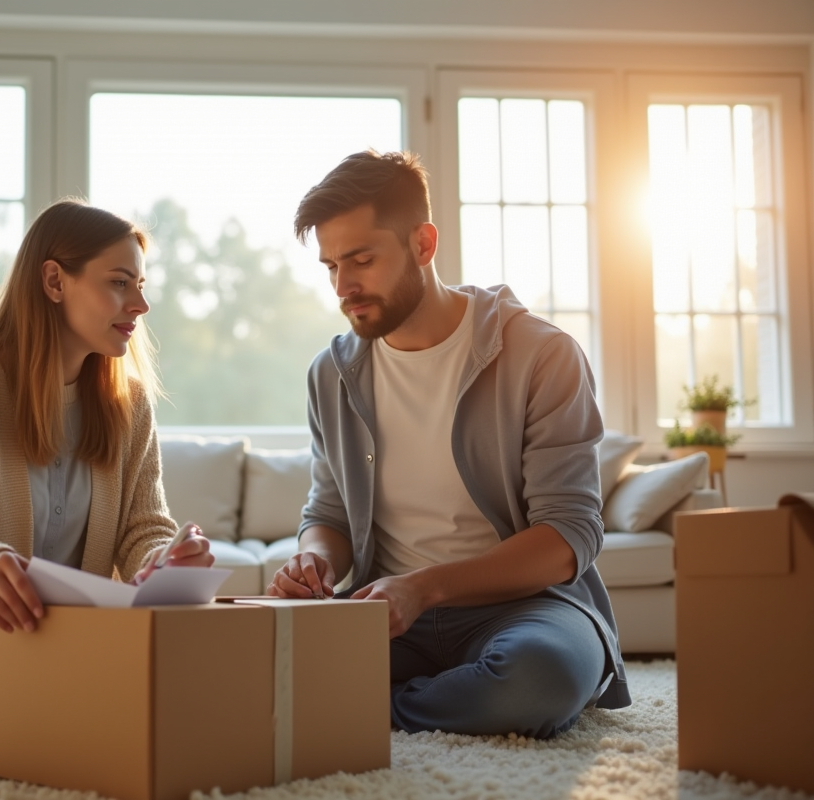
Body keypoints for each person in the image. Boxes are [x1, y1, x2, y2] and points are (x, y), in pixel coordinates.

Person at [266, 151, 630, 738]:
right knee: (243, 663)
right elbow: (327, 514)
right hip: (382, 615)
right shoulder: (329, 374)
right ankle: (414, 698)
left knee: (537, 679)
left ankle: (364, 704)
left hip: (525, 607)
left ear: (423, 244)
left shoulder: (542, 355)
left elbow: (567, 537)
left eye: (361, 260)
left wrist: (425, 587)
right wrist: (316, 561)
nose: (344, 286)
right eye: (331, 266)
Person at [0, 199, 214, 744]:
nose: (142, 303)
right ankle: (74, 711)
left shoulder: (128, 404)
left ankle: (44, 709)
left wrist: (166, 560)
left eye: (141, 284)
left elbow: (142, 528)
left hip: (63, 645)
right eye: (120, 283)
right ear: (55, 281)